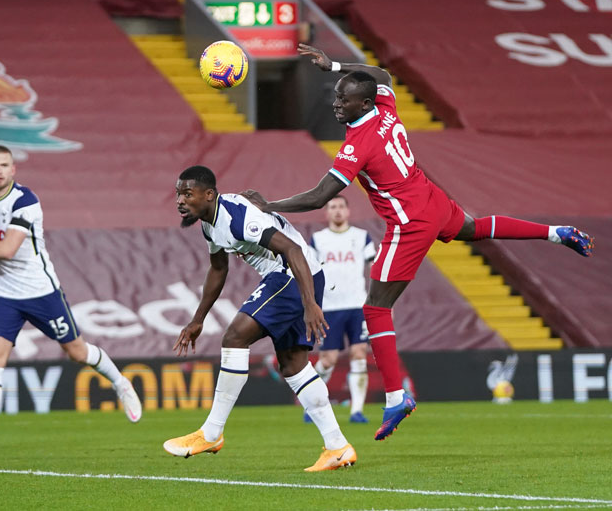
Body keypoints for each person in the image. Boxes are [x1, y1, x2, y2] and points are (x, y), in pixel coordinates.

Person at [242, 43, 595, 441]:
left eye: (344, 99)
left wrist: (267, 205)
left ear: (363, 105)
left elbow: (321, 195)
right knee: (476, 228)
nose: (336, 102)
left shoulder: (359, 144)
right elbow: (383, 77)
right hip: (430, 197)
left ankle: (396, 397)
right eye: (336, 94)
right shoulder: (387, 108)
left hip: (410, 222)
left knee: (376, 309)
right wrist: (336, 66)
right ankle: (556, 232)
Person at [0, 144, 141, 454]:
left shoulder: (26, 201)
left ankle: (120, 383)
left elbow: (8, 249)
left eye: (3, 165)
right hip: (4, 294)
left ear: (14, 170)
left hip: (41, 290)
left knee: (77, 352)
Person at [165, 165, 356, 472]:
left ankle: (212, 433)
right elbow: (218, 268)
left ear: (209, 194)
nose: (180, 200)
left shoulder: (238, 218)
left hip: (294, 275)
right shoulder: (209, 224)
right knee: (293, 366)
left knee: (235, 337)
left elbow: (292, 250)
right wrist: (198, 319)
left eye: (188, 193)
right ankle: (338, 447)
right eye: (178, 193)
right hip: (301, 276)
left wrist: (310, 304)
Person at [307, 195, 376, 424]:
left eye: (340, 207)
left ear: (348, 211)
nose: (337, 211)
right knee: (327, 359)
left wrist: (378, 301)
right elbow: (309, 273)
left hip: (357, 305)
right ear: (326, 213)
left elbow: (373, 267)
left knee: (359, 355)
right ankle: (311, 404)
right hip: (330, 307)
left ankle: (357, 411)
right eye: (332, 207)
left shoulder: (362, 237)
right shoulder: (318, 240)